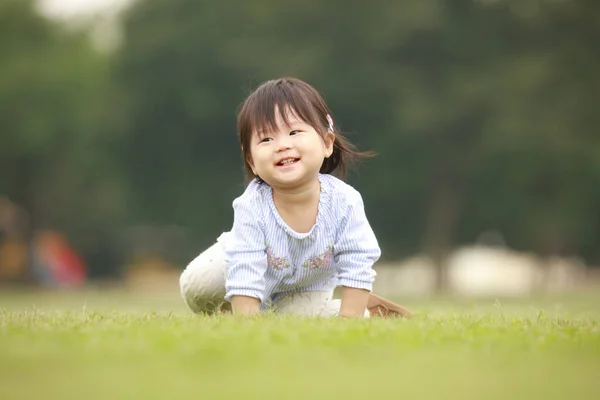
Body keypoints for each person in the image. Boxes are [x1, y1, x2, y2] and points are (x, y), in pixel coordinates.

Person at [180, 77, 411, 318]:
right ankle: (231, 308)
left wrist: (350, 318)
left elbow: (357, 261)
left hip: (306, 286)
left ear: (326, 144)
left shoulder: (344, 202)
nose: (282, 145)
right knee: (199, 285)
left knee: (309, 317)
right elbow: (245, 269)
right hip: (238, 266)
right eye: (266, 139)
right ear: (251, 161)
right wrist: (246, 324)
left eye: (294, 132)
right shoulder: (252, 205)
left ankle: (366, 308)